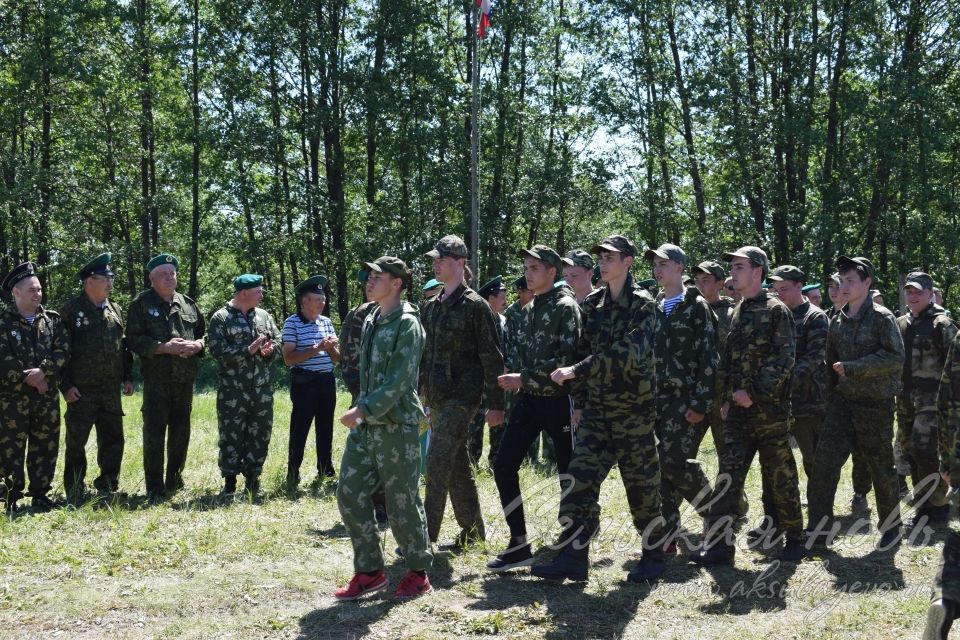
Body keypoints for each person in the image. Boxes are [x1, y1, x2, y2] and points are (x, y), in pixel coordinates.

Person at [531, 234, 667, 583]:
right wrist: (578, 393)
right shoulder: (593, 305)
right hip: (598, 414)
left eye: (611, 258)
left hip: (633, 413)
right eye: (601, 258)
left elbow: (629, 354)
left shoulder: (644, 305)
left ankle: (653, 555)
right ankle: (574, 557)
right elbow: (578, 351)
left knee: (642, 488)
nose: (604, 263)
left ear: (628, 262)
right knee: (579, 482)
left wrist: (578, 371)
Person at [691, 246, 805, 565]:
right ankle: (719, 547)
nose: (733, 272)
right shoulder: (739, 309)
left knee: (780, 477)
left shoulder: (776, 310)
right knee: (727, 478)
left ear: (757, 272)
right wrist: (727, 398)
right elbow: (727, 360)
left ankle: (795, 539)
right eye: (732, 267)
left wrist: (753, 392)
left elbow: (784, 359)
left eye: (739, 267)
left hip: (769, 414)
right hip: (738, 415)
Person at [335, 256, 433, 600]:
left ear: (397, 283)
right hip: (367, 427)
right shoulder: (373, 317)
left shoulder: (407, 324)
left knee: (401, 500)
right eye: (369, 275)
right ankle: (370, 571)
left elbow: (399, 381)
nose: (370, 280)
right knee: (349, 492)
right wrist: (362, 412)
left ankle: (418, 573)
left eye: (378, 276)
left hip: (396, 426)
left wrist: (362, 410)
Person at [488, 245, 581, 572]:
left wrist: (522, 377)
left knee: (568, 473)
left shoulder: (565, 307)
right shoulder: (528, 310)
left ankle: (572, 548)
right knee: (503, 465)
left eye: (534, 268)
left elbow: (566, 362)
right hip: (529, 400)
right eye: (526, 268)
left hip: (559, 401)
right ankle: (519, 543)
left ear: (552, 273)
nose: (528, 274)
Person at [806, 256, 904, 550]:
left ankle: (891, 528)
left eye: (851, 281)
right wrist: (828, 397)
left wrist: (855, 366)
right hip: (843, 402)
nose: (844, 286)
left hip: (875, 404)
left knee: (880, 467)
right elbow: (829, 363)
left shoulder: (882, 317)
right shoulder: (837, 318)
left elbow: (895, 357)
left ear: (867, 283)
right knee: (823, 464)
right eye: (842, 280)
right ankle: (818, 532)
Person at [420, 235, 505, 549]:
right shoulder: (430, 306)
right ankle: (473, 532)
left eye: (441, 259)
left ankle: (422, 537)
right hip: (437, 395)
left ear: (460, 262)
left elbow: (492, 357)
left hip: (463, 396)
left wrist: (497, 404)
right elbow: (424, 355)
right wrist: (421, 394)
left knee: (438, 460)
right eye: (434, 260)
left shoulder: (475, 306)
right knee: (456, 464)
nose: (435, 264)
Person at [644, 244, 717, 551]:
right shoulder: (657, 303)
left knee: (675, 462)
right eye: (655, 264)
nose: (657, 269)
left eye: (662, 263)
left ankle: (716, 513)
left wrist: (700, 403)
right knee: (660, 466)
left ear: (678, 267)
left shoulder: (696, 304)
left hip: (683, 397)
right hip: (657, 398)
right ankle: (667, 533)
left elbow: (709, 357)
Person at [751, 266, 828, 542]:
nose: (779, 293)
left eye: (784, 288)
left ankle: (820, 526)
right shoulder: (774, 314)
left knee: (814, 466)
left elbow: (814, 359)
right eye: (776, 288)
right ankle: (774, 521)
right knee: (773, 465)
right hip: (776, 405)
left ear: (799, 286)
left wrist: (779, 381)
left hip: (807, 404)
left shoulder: (814, 317)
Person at [126, 254, 205, 501]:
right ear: (151, 279)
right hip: (156, 380)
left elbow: (205, 336)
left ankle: (174, 480)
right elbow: (133, 340)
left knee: (181, 431)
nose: (169, 278)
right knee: (154, 432)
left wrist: (198, 346)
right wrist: (163, 347)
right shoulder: (140, 304)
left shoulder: (189, 304)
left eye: (172, 273)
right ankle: (154, 487)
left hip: (184, 379)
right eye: (163, 274)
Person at [59, 253, 134, 501]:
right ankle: (75, 487)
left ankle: (108, 484)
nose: (111, 282)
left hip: (110, 389)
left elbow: (123, 347)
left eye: (111, 277)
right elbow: (60, 351)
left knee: (113, 439)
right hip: (81, 390)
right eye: (105, 278)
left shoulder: (115, 310)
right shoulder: (70, 311)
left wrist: (127, 377)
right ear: (89, 281)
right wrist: (65, 386)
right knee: (76, 441)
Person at [0, 262, 69, 512]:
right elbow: (3, 358)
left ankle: (41, 494)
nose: (37, 294)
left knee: (45, 445)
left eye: (39, 289)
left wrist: (44, 372)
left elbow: (63, 351)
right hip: (12, 399)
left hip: (46, 397)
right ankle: (11, 496)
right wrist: (27, 376)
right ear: (16, 292)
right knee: (10, 448)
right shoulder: (4, 322)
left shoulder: (52, 321)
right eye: (31, 290)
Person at [208, 274, 281, 497]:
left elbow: (279, 340)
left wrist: (270, 350)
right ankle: (229, 482)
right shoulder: (221, 318)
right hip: (233, 390)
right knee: (231, 435)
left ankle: (253, 479)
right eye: (258, 291)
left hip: (261, 389)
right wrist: (247, 350)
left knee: (260, 434)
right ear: (243, 294)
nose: (261, 295)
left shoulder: (264, 316)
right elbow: (216, 350)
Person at [896, 271, 957, 523]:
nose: (912, 296)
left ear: (931, 293)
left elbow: (955, 364)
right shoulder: (900, 323)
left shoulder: (942, 324)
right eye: (909, 291)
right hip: (905, 401)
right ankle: (924, 506)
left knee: (927, 452)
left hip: (932, 403)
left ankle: (939, 505)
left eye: (918, 291)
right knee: (909, 453)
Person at [282, 275, 340, 488]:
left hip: (326, 381)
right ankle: (293, 471)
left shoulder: (326, 322)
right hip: (304, 383)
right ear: (304, 301)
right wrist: (317, 348)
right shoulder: (292, 323)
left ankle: (325, 469)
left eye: (323, 299)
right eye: (317, 299)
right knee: (300, 428)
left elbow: (337, 359)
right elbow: (288, 358)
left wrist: (332, 347)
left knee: (326, 427)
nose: (322, 303)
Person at [826, 272, 876, 509]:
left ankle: (860, 493)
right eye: (832, 286)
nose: (835, 290)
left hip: (864, 395)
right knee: (827, 451)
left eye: (840, 285)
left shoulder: (869, 317)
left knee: (861, 450)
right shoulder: (828, 317)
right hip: (834, 395)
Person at [467, 275, 509, 465]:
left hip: (500, 380)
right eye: (502, 295)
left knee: (499, 422)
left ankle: (496, 460)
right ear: (491, 298)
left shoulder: (504, 320)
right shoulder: (477, 321)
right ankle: (472, 461)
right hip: (478, 381)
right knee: (475, 422)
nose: (505, 299)